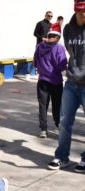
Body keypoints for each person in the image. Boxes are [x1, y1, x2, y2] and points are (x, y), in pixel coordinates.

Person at [48, 0, 85, 172]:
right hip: (71, 83)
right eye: (83, 11)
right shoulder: (68, 30)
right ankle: (62, 156)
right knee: (64, 122)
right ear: (77, 11)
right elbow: (72, 53)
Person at [34, 23, 67, 138]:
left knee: (43, 106)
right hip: (56, 81)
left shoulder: (39, 46)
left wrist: (41, 70)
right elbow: (62, 65)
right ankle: (58, 126)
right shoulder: (59, 48)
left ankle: (43, 130)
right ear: (57, 37)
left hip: (42, 80)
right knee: (57, 105)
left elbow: (35, 62)